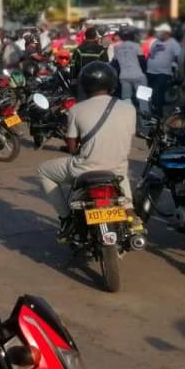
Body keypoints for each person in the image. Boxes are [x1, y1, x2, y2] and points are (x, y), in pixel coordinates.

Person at [38, 62, 136, 241]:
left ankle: (66, 218)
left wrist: (75, 148)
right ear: (112, 83)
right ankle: (131, 213)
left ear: (84, 84)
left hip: (84, 170)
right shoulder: (129, 109)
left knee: (44, 170)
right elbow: (126, 136)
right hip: (117, 170)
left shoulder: (76, 110)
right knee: (123, 170)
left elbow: (73, 147)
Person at [145, 23, 183, 117]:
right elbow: (151, 54)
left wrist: (178, 69)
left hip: (164, 72)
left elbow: (179, 57)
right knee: (154, 94)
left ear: (167, 33)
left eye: (160, 32)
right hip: (151, 71)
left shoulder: (173, 43)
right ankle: (157, 111)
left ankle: (157, 114)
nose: (158, 33)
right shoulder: (156, 41)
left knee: (156, 92)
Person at [110, 28, 147, 107]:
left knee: (126, 98)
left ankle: (128, 116)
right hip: (138, 75)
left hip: (124, 76)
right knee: (143, 98)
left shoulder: (117, 48)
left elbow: (114, 63)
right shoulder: (136, 46)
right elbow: (142, 61)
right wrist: (144, 72)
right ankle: (145, 117)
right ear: (132, 36)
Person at [71, 27, 108, 97]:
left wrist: (73, 78)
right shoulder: (101, 50)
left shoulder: (79, 49)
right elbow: (106, 66)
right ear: (96, 37)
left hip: (82, 79)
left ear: (85, 36)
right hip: (97, 81)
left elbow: (73, 64)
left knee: (82, 102)